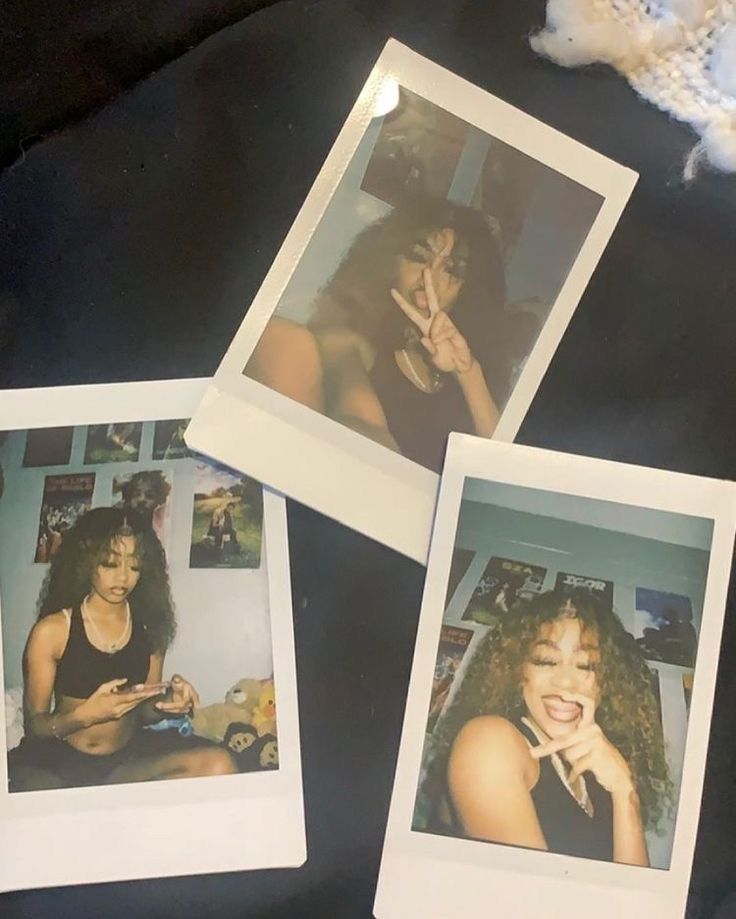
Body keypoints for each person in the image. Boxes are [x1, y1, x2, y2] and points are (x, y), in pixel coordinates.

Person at [246, 194, 536, 472]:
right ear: (388, 261)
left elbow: (502, 474)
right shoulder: (352, 338)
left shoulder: (479, 373)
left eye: (452, 268)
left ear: (468, 290)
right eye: (419, 256)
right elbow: (360, 418)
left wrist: (468, 372)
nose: (430, 275)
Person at [421, 590, 670, 866]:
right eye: (546, 661)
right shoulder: (489, 742)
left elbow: (635, 905)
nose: (565, 683)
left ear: (607, 682)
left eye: (586, 665)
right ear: (517, 670)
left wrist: (626, 793)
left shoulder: (597, 771)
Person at [10, 507, 236, 790]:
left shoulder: (150, 627)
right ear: (86, 562)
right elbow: (35, 727)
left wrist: (169, 701)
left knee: (219, 764)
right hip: (61, 762)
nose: (123, 576)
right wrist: (85, 715)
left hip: (128, 760)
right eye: (110, 562)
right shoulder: (53, 630)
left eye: (135, 565)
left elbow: (144, 711)